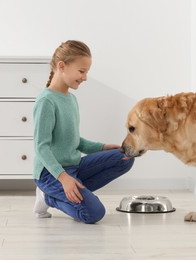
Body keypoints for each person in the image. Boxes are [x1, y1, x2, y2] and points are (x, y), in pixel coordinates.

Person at [32, 40, 134, 224]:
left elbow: (74, 141)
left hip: (74, 166)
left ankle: (74, 191)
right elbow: (41, 147)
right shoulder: (46, 101)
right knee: (94, 213)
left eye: (86, 72)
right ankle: (48, 197)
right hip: (50, 173)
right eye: (82, 71)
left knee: (125, 158)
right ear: (62, 66)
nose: (85, 77)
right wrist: (63, 178)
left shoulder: (71, 99)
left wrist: (102, 148)